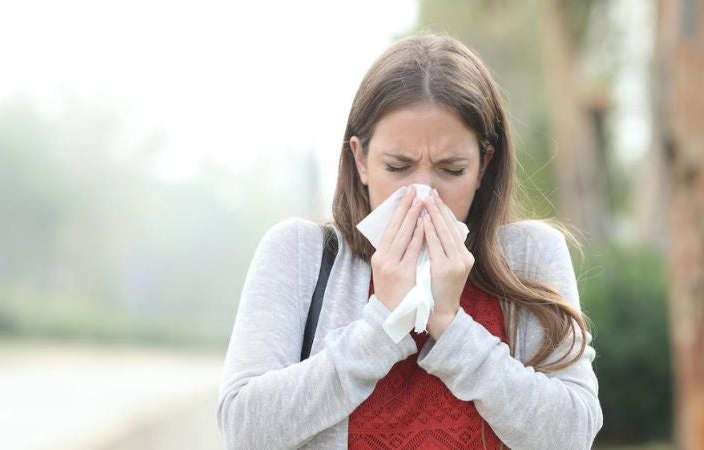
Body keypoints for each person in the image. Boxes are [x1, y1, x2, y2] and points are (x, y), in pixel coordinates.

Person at [216, 31, 602, 450]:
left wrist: (452, 327)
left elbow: (572, 435)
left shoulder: (530, 254)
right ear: (361, 159)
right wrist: (382, 324)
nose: (423, 195)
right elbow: (244, 430)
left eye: (451, 170)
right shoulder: (299, 253)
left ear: (484, 166)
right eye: (398, 167)